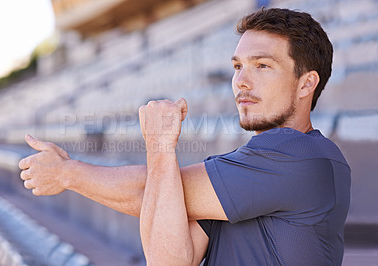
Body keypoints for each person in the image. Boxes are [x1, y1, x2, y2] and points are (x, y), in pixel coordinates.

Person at [18, 7, 351, 266]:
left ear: (307, 83)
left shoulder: (300, 155)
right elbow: (168, 258)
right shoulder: (246, 168)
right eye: (237, 67)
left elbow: (150, 190)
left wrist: (68, 172)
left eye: (262, 66)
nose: (241, 82)